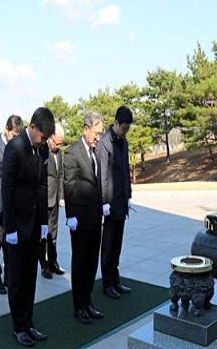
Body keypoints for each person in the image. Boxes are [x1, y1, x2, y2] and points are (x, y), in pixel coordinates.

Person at [2, 107, 54, 347]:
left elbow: (42, 186)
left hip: (34, 224)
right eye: (41, 136)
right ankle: (17, 326)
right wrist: (10, 227)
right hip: (17, 225)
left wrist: (44, 222)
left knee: (31, 277)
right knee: (16, 278)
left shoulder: (41, 149)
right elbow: (7, 190)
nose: (43, 141)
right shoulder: (14, 148)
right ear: (32, 127)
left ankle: (29, 321)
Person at [64, 111, 104, 325]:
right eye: (96, 133)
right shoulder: (72, 153)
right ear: (86, 129)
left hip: (95, 217)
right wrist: (70, 216)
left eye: (101, 133)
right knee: (80, 263)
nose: (98, 137)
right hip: (79, 219)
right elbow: (68, 186)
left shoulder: (94, 152)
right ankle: (78, 306)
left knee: (91, 262)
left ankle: (88, 301)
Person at [96, 106, 133, 299]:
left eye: (128, 129)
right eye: (124, 128)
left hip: (121, 200)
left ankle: (115, 280)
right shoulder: (105, 143)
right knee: (108, 245)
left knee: (117, 244)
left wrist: (129, 194)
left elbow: (125, 169)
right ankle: (107, 283)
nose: (125, 132)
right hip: (109, 202)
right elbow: (102, 175)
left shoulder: (123, 142)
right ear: (116, 123)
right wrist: (103, 202)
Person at [0, 115, 23, 295]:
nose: (15, 138)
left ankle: (10, 277)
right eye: (13, 134)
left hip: (13, 203)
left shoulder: (18, 147)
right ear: (6, 130)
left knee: (11, 243)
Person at [39, 123, 66, 279]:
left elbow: (61, 175)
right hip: (44, 200)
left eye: (60, 144)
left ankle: (53, 262)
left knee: (53, 233)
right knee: (44, 234)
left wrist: (61, 196)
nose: (58, 146)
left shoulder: (59, 153)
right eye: (56, 143)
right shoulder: (43, 151)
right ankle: (44, 265)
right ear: (50, 138)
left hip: (56, 199)